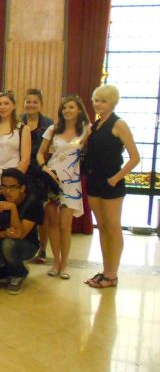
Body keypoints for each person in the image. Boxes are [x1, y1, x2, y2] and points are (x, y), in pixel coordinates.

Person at [83, 85, 139, 289]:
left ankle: (112, 275)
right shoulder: (95, 125)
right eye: (96, 100)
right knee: (103, 228)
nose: (98, 104)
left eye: (103, 101)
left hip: (111, 183)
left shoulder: (119, 124)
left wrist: (115, 178)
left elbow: (135, 157)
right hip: (94, 181)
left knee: (113, 227)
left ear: (112, 103)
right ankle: (106, 271)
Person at [37, 95, 89, 280]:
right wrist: (44, 168)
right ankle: (55, 262)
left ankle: (65, 264)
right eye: (64, 107)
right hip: (53, 178)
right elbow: (40, 154)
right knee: (52, 223)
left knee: (65, 226)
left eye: (71, 107)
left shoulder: (86, 130)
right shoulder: (53, 129)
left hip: (72, 183)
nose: (67, 110)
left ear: (79, 110)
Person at [0, 168, 44, 295]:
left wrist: (12, 208)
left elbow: (19, 234)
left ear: (22, 188)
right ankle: (9, 268)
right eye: (4, 187)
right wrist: (5, 234)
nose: (7, 191)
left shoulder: (33, 203)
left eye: (12, 187)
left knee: (9, 244)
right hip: (1, 240)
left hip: (27, 245)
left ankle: (19, 273)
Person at [20, 88, 55, 263]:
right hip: (21, 172)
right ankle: (23, 244)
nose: (31, 105)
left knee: (42, 214)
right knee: (22, 210)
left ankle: (42, 249)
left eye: (35, 102)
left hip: (40, 174)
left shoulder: (49, 124)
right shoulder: (18, 121)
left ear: (41, 104)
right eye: (28, 101)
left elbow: (52, 150)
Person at [0, 91, 31, 195]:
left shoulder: (23, 128)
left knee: (10, 208)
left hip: (13, 178)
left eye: (6, 103)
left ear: (13, 106)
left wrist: (10, 183)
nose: (2, 107)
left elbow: (25, 159)